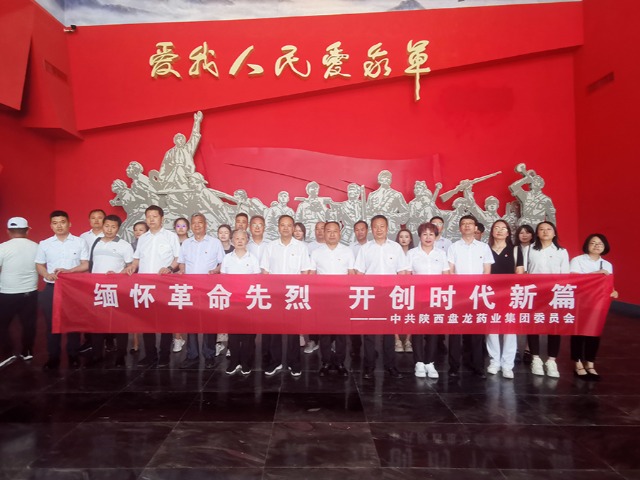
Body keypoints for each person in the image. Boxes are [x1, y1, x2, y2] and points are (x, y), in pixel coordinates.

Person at [125, 205, 180, 368]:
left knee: (166, 321)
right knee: (146, 321)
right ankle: (150, 354)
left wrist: (169, 268)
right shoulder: (143, 238)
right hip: (145, 286)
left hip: (164, 285)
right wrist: (132, 267)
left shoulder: (171, 236)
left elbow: (178, 258)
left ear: (162, 218)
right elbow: (136, 259)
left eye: (155, 216)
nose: (151, 219)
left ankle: (164, 355)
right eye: (148, 216)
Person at [354, 215, 409, 379]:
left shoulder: (396, 248)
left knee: (389, 332)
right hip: (371, 295)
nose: (379, 230)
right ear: (371, 229)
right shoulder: (365, 249)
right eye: (375, 226)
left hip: (390, 294)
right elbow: (359, 273)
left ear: (387, 228)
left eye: (382, 226)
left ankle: (390, 366)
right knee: (369, 333)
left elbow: (402, 272)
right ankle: (369, 367)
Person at [35, 211, 90, 370]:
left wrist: (70, 271)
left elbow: (86, 264)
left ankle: (73, 355)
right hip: (52, 288)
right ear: (51, 225)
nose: (59, 226)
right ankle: (53, 357)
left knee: (73, 323)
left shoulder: (80, 242)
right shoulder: (45, 243)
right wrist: (46, 274)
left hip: (73, 289)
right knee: (52, 324)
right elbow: (39, 264)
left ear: (69, 224)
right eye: (55, 223)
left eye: (62, 222)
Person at [260, 215, 311, 377]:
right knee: (274, 330)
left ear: (293, 227)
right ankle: (275, 361)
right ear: (278, 227)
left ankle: (294, 362)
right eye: (283, 225)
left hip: (293, 294)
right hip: (275, 294)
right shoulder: (270, 246)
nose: (286, 228)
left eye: (289, 225)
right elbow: (265, 271)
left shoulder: (301, 247)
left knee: (293, 331)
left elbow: (305, 271)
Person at [447, 215, 494, 378]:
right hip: (459, 294)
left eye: (470, 223)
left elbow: (487, 271)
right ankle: (453, 366)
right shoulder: (453, 247)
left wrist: (479, 290)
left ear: (476, 228)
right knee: (455, 331)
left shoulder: (484, 247)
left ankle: (478, 366)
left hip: (477, 294)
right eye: (464, 224)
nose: (467, 226)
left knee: (476, 331)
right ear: (460, 228)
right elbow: (451, 270)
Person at [178, 213, 225, 369]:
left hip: (208, 289)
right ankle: (192, 355)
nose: (197, 225)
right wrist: (182, 271)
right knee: (191, 323)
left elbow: (222, 263)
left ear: (206, 225)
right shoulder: (186, 244)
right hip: (190, 289)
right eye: (194, 223)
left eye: (200, 222)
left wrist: (216, 271)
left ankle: (209, 355)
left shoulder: (215, 243)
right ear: (191, 226)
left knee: (209, 323)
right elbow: (182, 263)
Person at [87, 214, 134, 367]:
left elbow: (131, 267)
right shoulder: (96, 243)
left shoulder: (125, 246)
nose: (109, 229)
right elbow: (90, 264)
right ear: (103, 226)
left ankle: (120, 355)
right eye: (107, 226)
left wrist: (118, 274)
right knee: (97, 322)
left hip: (117, 289)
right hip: (97, 289)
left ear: (118, 228)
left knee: (120, 323)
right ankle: (96, 354)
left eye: (113, 227)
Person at [569, 233, 618, 381]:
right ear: (587, 245)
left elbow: (608, 284)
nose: (597, 246)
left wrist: (613, 290)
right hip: (581, 301)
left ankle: (590, 363)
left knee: (594, 332)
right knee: (579, 332)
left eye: (600, 244)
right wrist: (596, 274)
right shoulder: (577, 260)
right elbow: (574, 280)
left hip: (598, 303)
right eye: (593, 243)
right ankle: (577, 362)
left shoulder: (607, 264)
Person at [310, 221, 355, 377]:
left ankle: (340, 362)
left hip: (342, 298)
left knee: (341, 332)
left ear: (340, 233)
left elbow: (352, 275)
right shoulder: (316, 252)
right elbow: (311, 275)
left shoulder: (347, 251)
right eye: (328, 231)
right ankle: (326, 362)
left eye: (335, 231)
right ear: (324, 233)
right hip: (323, 298)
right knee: (325, 332)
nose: (332, 234)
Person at [406, 222, 450, 379]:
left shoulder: (441, 254)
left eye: (431, 234)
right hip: (418, 297)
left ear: (436, 236)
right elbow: (407, 276)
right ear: (419, 236)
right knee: (418, 330)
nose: (428, 237)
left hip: (436, 298)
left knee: (433, 330)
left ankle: (430, 362)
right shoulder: (412, 253)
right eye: (425, 234)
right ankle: (418, 362)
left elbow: (446, 276)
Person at [527, 221, 569, 378]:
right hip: (534, 293)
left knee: (554, 326)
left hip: (555, 294)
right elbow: (524, 272)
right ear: (537, 233)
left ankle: (552, 360)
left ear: (554, 233)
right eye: (541, 229)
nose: (545, 232)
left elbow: (565, 275)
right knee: (533, 326)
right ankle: (536, 359)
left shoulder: (561, 252)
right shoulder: (529, 249)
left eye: (548, 229)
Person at [486, 220, 524, 379]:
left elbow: (519, 272)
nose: (500, 231)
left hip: (510, 294)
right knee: (492, 329)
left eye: (503, 228)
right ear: (492, 231)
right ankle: (494, 361)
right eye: (497, 228)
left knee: (509, 329)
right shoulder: (486, 249)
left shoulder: (515, 250)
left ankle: (508, 364)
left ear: (508, 232)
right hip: (490, 295)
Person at [221, 228, 262, 375]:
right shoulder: (227, 258)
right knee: (233, 334)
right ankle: (234, 362)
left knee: (247, 335)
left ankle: (245, 362)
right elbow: (223, 279)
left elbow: (257, 280)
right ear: (232, 241)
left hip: (248, 302)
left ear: (247, 241)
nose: (239, 241)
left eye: (242, 238)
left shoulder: (253, 259)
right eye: (236, 238)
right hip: (232, 301)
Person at [0, 217, 39, 368]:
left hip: (7, 292)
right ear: (27, 230)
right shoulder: (36, 247)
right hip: (30, 292)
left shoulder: (3, 247)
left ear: (8, 231)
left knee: (2, 324)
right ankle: (27, 351)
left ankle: (7, 352)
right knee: (29, 324)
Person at [514, 223, 535, 363]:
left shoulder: (537, 249)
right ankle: (515, 348)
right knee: (515, 318)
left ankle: (528, 348)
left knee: (530, 318)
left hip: (533, 287)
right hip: (517, 287)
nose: (524, 235)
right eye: (521, 233)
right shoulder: (514, 249)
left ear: (532, 235)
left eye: (527, 232)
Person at [366, 170, 409, 238]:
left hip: (391, 229)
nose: (386, 179)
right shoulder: (372, 195)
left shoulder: (397, 195)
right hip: (375, 230)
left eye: (388, 178)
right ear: (379, 179)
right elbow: (367, 213)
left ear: (391, 180)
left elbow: (406, 213)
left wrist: (392, 216)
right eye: (384, 177)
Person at [128, 221, 149, 354]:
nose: (138, 232)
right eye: (136, 230)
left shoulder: (150, 244)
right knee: (135, 313)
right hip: (133, 282)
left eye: (141, 230)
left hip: (148, 283)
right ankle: (135, 343)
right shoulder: (130, 246)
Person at [172, 217, 190, 353]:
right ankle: (177, 338)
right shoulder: (171, 241)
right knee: (176, 310)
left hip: (189, 279)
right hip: (173, 280)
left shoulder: (191, 242)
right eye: (178, 226)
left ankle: (188, 339)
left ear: (188, 228)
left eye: (183, 226)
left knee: (188, 312)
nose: (181, 228)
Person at [394, 228, 414, 353]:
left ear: (410, 239)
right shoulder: (393, 251)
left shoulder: (414, 253)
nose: (404, 239)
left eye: (406, 236)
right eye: (401, 236)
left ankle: (407, 340)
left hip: (411, 289)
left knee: (409, 314)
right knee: (395, 314)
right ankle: (397, 340)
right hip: (396, 288)